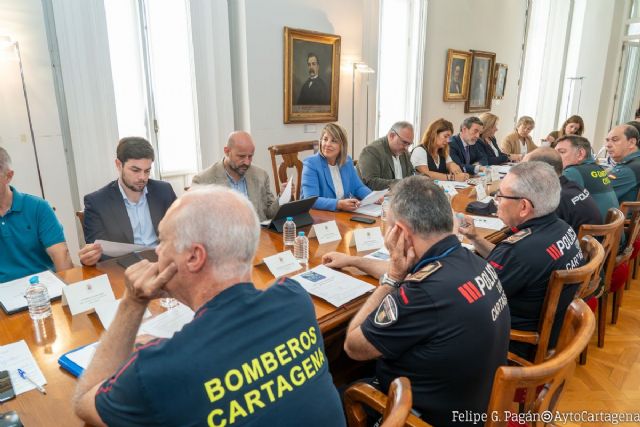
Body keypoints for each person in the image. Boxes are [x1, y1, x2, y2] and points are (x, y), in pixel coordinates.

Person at [73, 186, 346, 426]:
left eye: (163, 241)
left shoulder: (159, 369)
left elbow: (85, 401)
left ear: (194, 257)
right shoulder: (294, 299)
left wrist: (132, 303)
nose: (157, 251)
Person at [340, 176, 510, 426]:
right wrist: (355, 261)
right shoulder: (471, 260)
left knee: (340, 387)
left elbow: (353, 346)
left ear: (401, 232)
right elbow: (413, 271)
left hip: (426, 416)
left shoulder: (423, 293)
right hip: (475, 401)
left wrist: (391, 280)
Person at [459, 162, 584, 359]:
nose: (496, 200)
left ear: (524, 206)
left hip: (516, 342)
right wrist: (475, 238)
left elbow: (471, 302)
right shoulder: (561, 227)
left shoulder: (519, 251)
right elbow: (510, 266)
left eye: (500, 195)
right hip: (554, 329)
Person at [79, 137, 177, 266]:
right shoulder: (97, 202)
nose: (142, 177)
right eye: (135, 170)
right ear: (119, 165)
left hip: (164, 263)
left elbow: (181, 231)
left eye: (147, 171)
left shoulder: (163, 191)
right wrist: (89, 258)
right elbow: (98, 254)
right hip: (126, 269)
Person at [0, 147, 73, 282]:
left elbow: (60, 253)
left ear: (8, 176)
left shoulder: (38, 207)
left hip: (41, 285)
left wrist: (69, 291)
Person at [192, 131, 287, 221]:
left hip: (259, 235)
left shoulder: (261, 175)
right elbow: (198, 223)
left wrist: (282, 196)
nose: (247, 162)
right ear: (227, 151)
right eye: (241, 156)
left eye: (250, 156)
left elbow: (270, 214)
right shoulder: (203, 181)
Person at [524, 148, 602, 232]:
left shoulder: (554, 198)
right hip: (591, 239)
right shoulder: (573, 186)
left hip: (580, 243)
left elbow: (538, 230)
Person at [301, 123, 371, 211]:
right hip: (320, 217)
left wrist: (373, 197)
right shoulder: (311, 164)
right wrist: (339, 204)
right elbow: (311, 200)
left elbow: (358, 187)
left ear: (342, 146)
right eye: (325, 139)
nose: (327, 144)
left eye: (333, 141)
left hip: (343, 215)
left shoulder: (347, 161)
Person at [554, 135, 618, 220]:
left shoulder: (572, 172)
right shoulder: (598, 168)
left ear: (580, 154)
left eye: (562, 152)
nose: (555, 157)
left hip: (593, 231)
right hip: (611, 230)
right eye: (555, 153)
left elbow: (550, 203)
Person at [357, 121, 414, 190]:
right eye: (404, 142)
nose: (406, 148)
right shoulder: (372, 151)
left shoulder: (405, 153)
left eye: (409, 144)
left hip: (400, 197)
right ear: (392, 136)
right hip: (378, 198)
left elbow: (411, 175)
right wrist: (403, 183)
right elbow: (371, 182)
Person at [605, 124, 640, 203]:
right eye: (607, 140)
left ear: (631, 143)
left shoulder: (630, 168)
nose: (608, 145)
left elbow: (596, 193)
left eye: (615, 140)